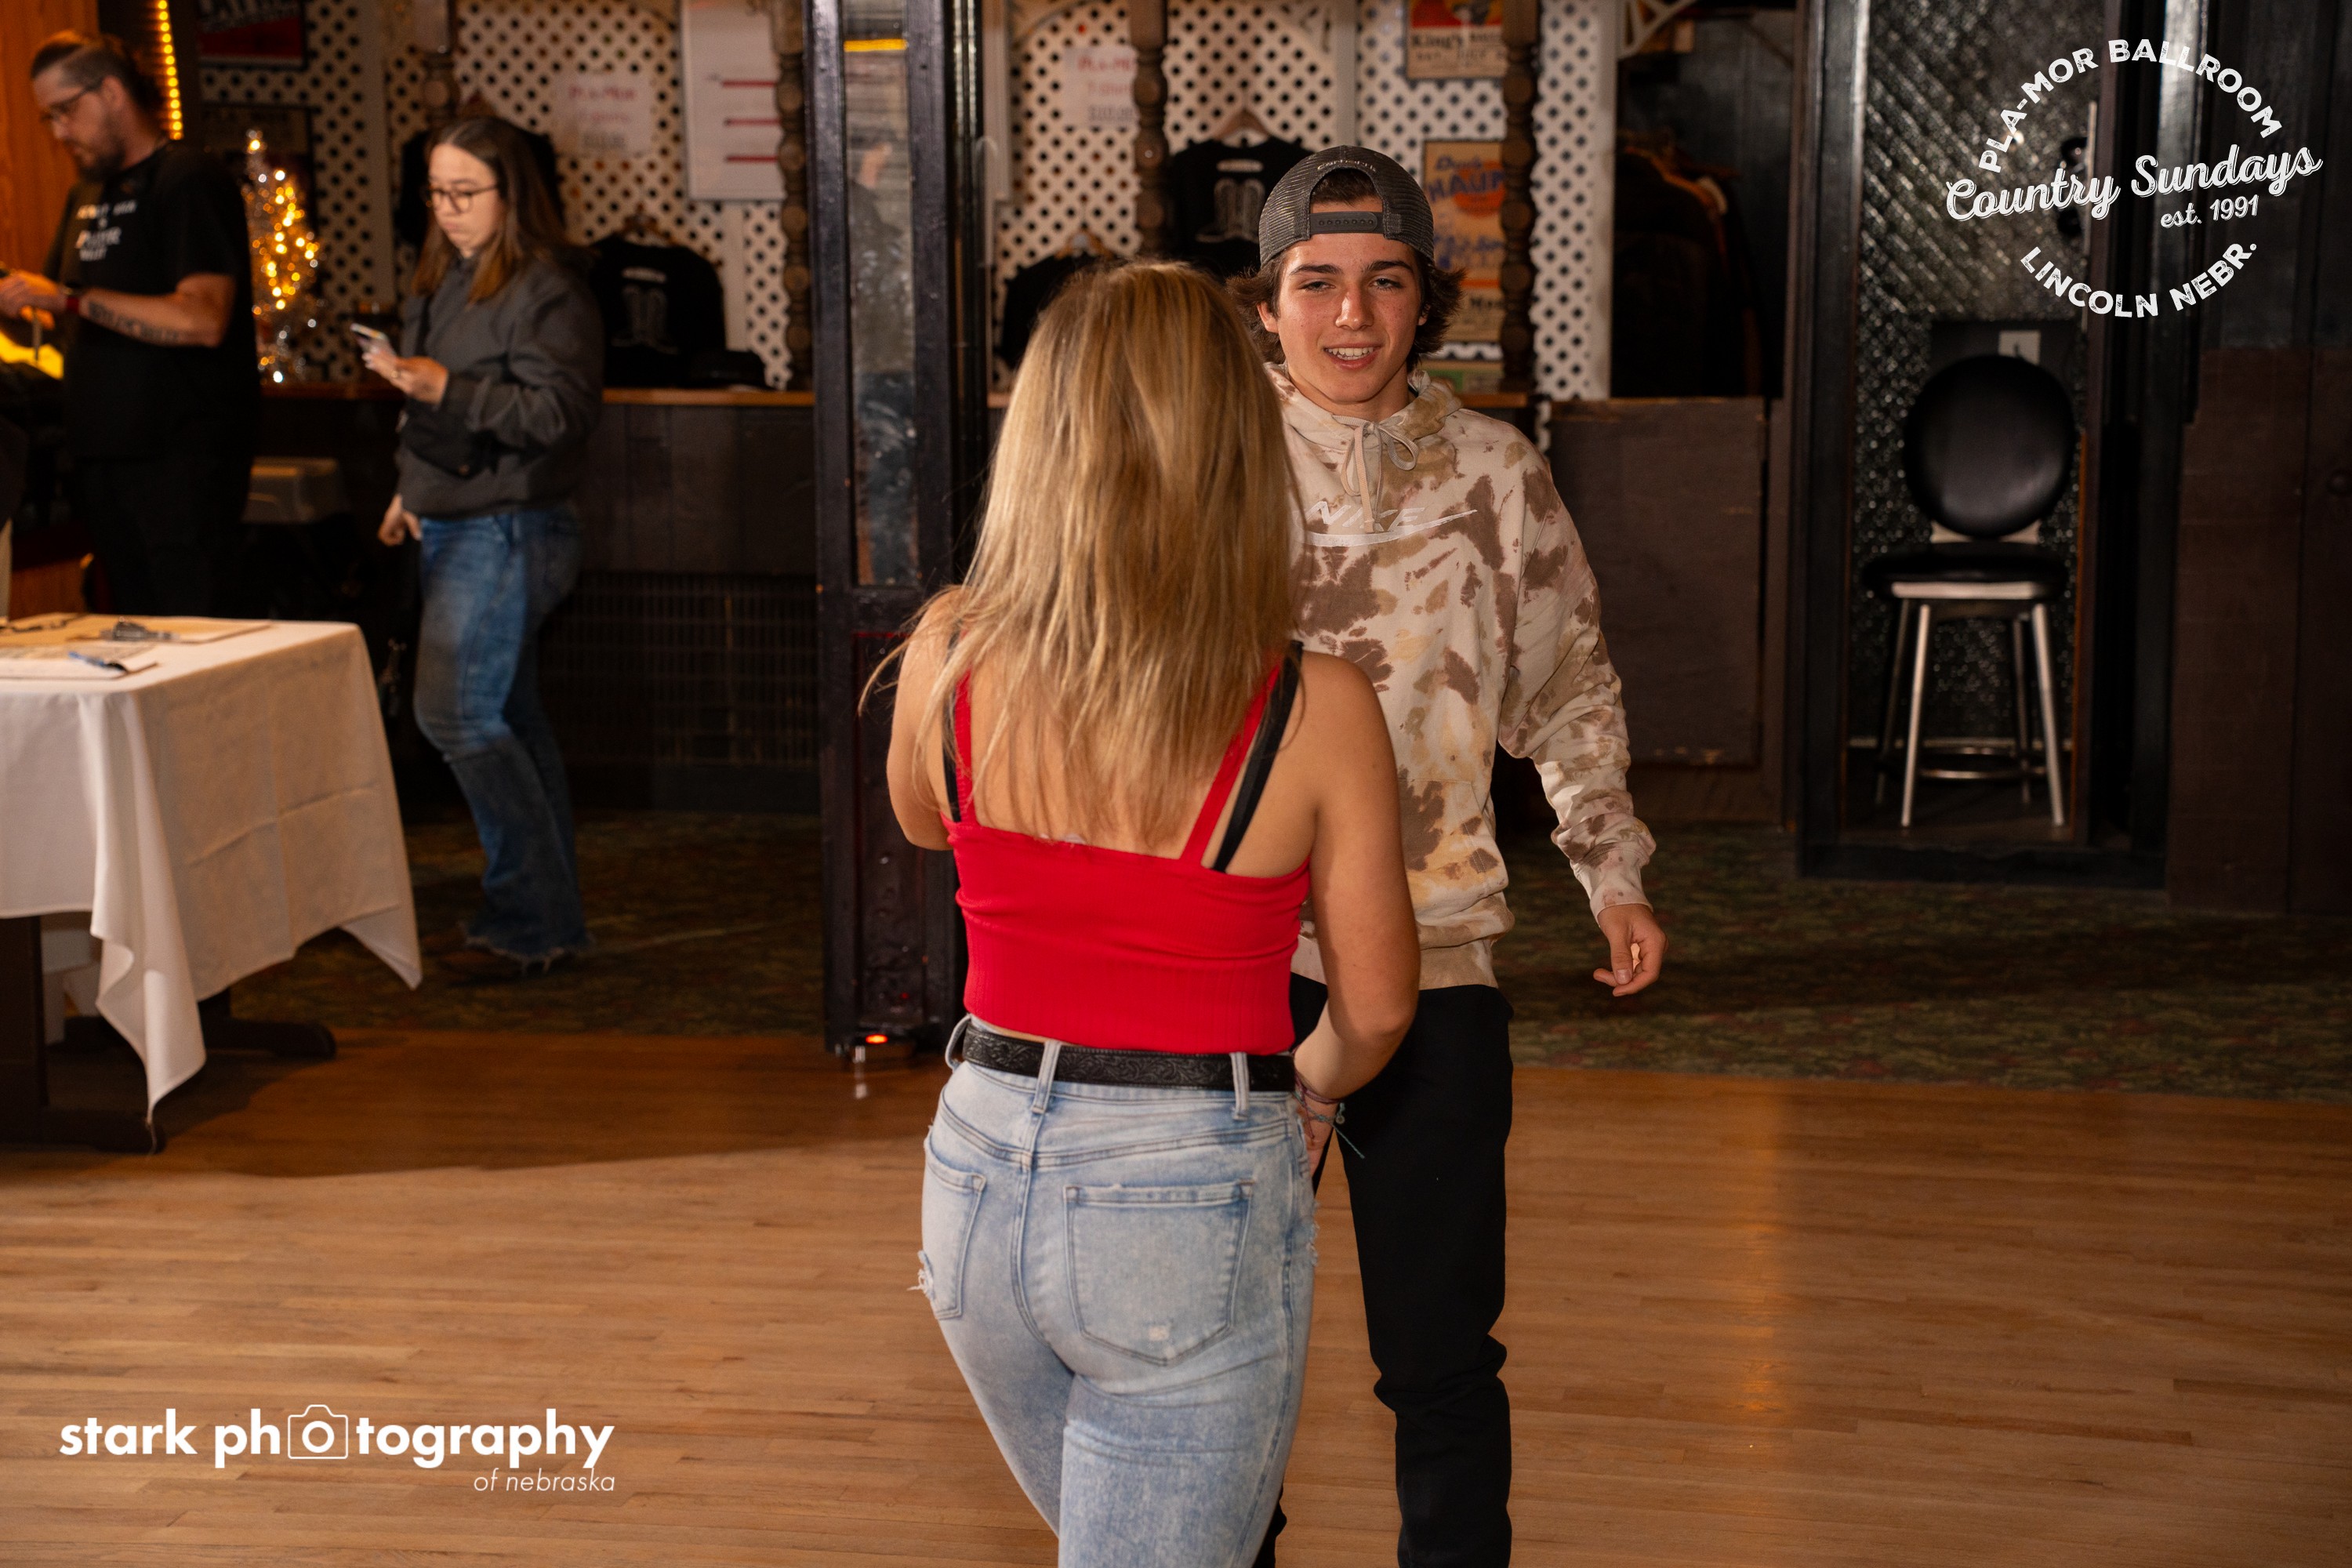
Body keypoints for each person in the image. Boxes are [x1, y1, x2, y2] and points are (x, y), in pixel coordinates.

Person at [881, 261, 1422, 1567]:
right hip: (1184, 1188)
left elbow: (926, 823)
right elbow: (1378, 1007)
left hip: (976, 1169)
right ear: (1239, 449)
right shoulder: (1315, 706)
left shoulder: (947, 651)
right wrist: (1310, 1085)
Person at [1229, 147, 1668, 1566]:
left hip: (1436, 962)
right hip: (1235, 969)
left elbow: (1568, 687)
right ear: (1267, 305)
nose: (1351, 316)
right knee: (1221, 1354)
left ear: (1428, 302)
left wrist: (1611, 867)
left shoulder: (1497, 475)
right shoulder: (1205, 472)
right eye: (1317, 283)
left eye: (1384, 282)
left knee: (1442, 1355)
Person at [364, 115, 602, 981]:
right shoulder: (446, 278)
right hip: (459, 517)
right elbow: (423, 409)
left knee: (457, 717)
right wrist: (410, 488)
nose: (448, 209)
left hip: (512, 525)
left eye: (466, 192)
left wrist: (447, 388)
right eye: (436, 193)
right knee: (508, 720)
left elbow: (560, 415)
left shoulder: (547, 290)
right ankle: (542, 919)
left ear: (513, 194)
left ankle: (528, 918)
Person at [0, 31, 256, 615]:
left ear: (112, 92)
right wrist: (23, 298)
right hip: (99, 456)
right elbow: (59, 311)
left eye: (66, 110)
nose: (59, 131)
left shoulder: (187, 179)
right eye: (49, 117)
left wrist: (68, 300)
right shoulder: (85, 194)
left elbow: (203, 319)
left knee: (193, 630)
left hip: (180, 461)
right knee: (130, 628)